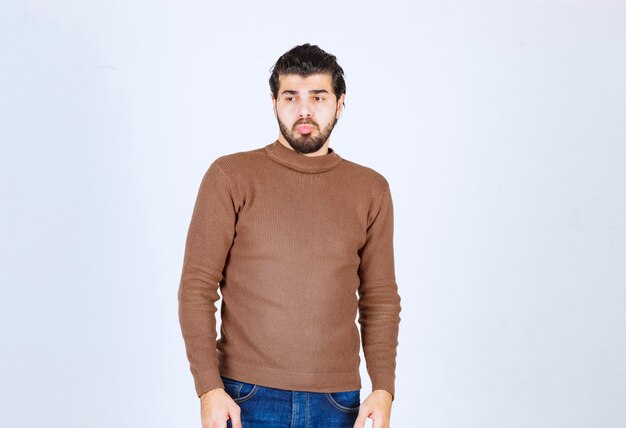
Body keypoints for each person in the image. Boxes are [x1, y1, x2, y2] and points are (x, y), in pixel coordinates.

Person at [178, 43, 402, 428]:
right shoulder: (231, 176)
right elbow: (197, 287)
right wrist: (209, 388)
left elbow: (380, 297)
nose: (304, 110)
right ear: (273, 102)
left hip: (339, 402)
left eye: (318, 97)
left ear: (340, 102)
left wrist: (383, 388)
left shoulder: (370, 189)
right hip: (245, 395)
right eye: (290, 97)